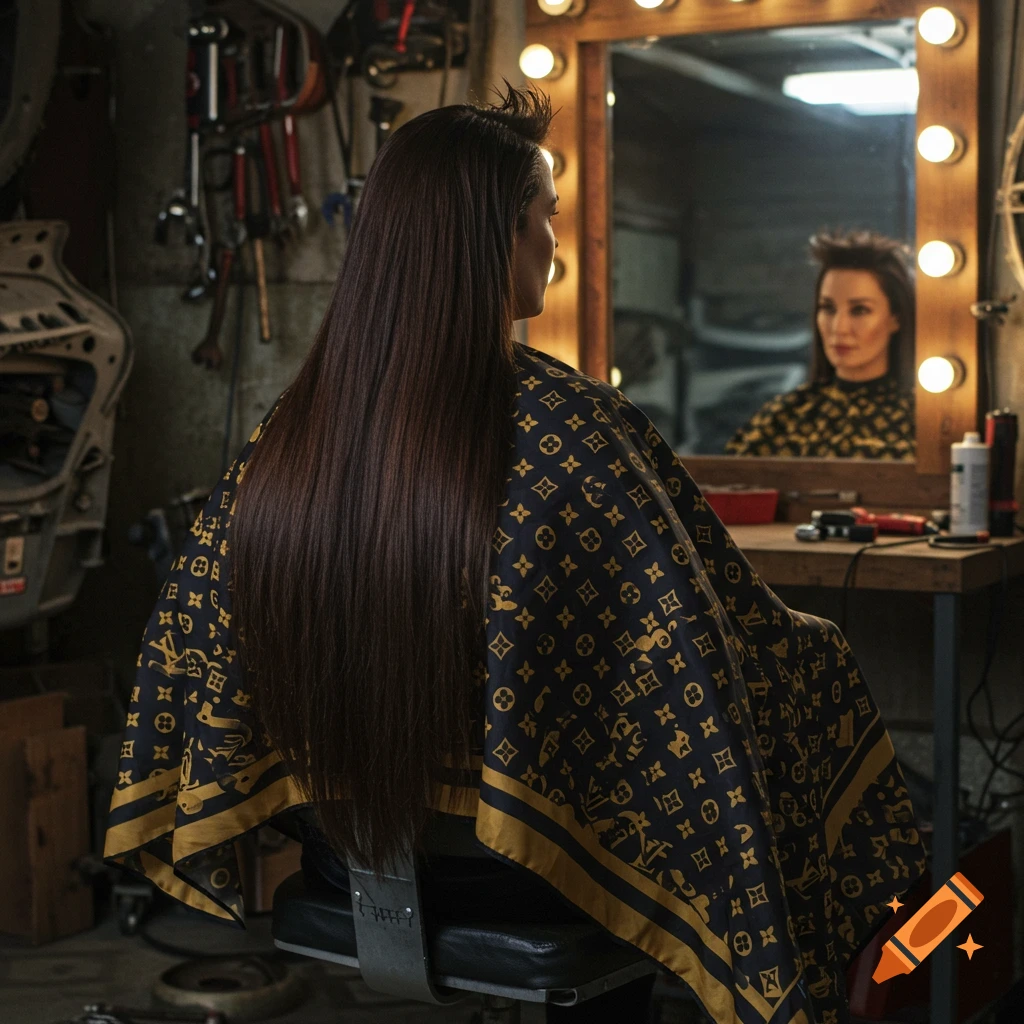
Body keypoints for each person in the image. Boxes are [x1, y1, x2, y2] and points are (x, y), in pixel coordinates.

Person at [105, 88, 926, 1024]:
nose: (556, 247)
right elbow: (700, 655)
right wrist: (815, 653)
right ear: (496, 238)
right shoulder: (575, 435)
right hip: (526, 877)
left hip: (340, 853)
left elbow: (192, 651)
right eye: (548, 218)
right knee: (797, 672)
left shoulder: (287, 435)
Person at [725, 231, 916, 459]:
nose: (839, 328)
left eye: (859, 310)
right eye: (828, 308)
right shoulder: (782, 421)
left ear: (896, 318)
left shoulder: (922, 424)